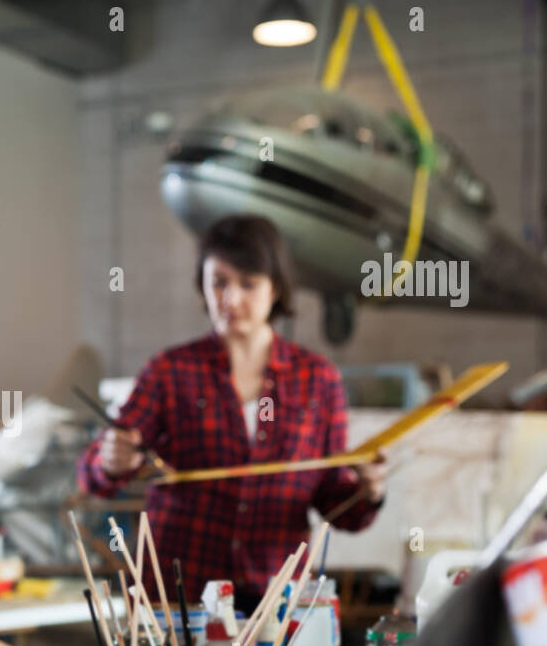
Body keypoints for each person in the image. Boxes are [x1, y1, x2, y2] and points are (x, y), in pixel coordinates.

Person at [76, 214, 385, 614]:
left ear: (276, 288)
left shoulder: (319, 380)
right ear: (202, 285)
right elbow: (92, 476)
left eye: (248, 284)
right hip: (177, 595)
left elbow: (336, 503)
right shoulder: (170, 371)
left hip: (276, 599)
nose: (231, 299)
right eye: (219, 282)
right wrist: (110, 460)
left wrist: (368, 491)